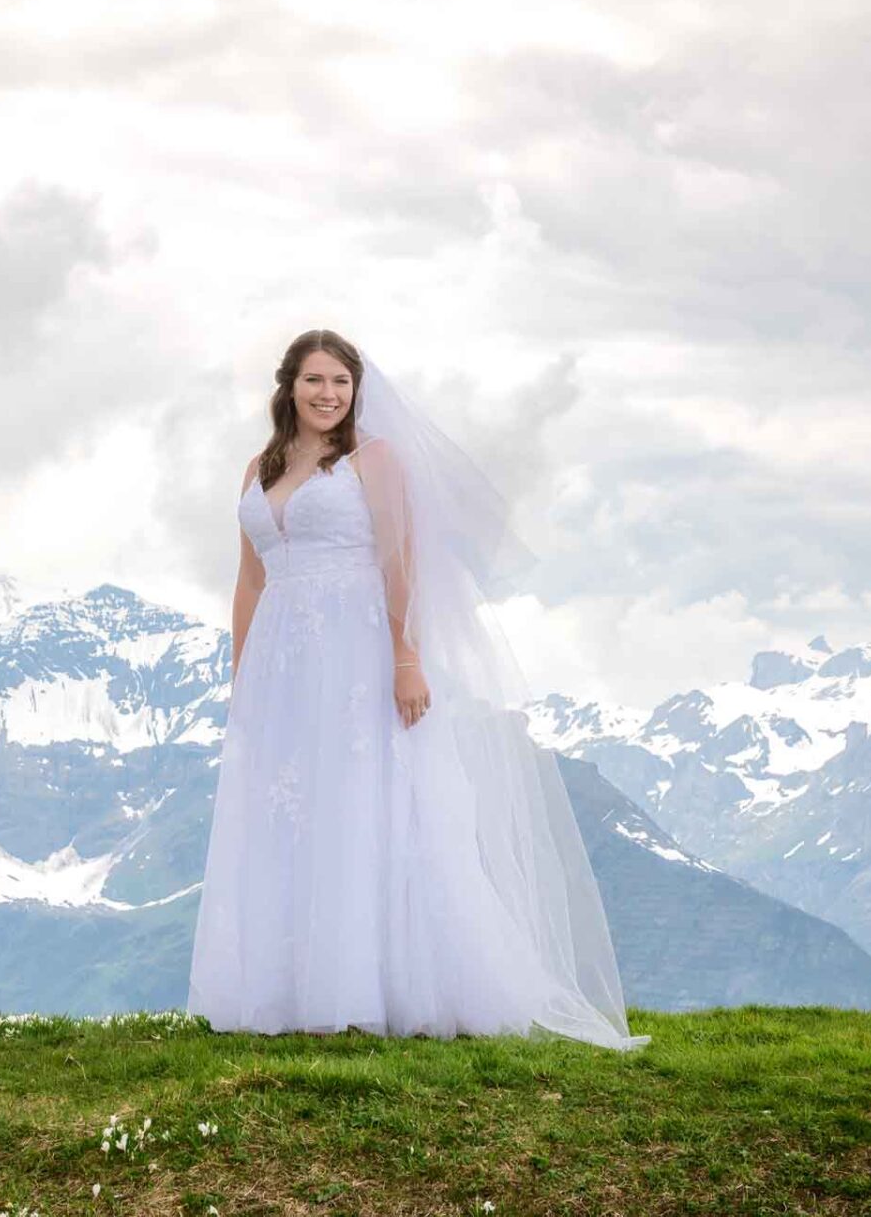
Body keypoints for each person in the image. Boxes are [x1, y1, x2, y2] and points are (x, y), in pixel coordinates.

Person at [185, 328, 651, 1051]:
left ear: (355, 389)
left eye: (340, 382)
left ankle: (368, 987)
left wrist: (406, 656)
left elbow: (402, 559)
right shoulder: (258, 466)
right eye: (315, 381)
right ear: (289, 386)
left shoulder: (376, 460)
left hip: (356, 645)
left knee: (363, 804)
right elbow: (250, 579)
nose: (328, 394)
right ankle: (286, 986)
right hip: (282, 659)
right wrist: (242, 676)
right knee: (292, 812)